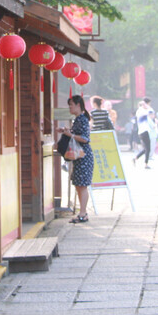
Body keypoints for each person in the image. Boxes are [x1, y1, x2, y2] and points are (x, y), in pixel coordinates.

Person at [61, 95, 94, 223]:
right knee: (78, 185)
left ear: (78, 105)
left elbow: (85, 138)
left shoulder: (82, 120)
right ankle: (82, 212)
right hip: (79, 156)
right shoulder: (78, 119)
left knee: (82, 185)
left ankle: (83, 213)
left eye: (71, 105)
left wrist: (71, 134)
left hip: (83, 156)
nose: (70, 107)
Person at [133, 97, 155, 168]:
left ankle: (136, 158)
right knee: (147, 148)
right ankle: (145, 164)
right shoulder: (141, 111)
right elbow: (151, 111)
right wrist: (146, 105)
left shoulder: (140, 110)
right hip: (144, 131)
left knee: (146, 148)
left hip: (142, 131)